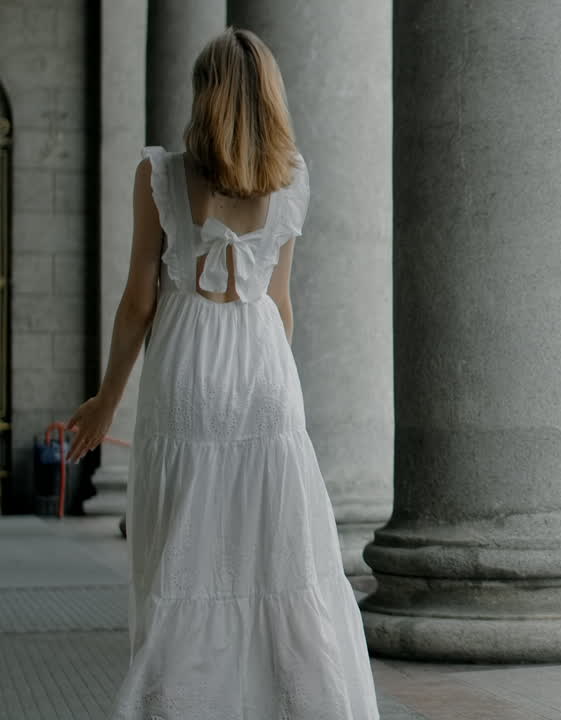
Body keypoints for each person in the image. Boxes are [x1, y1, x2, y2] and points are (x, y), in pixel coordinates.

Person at [67, 28, 380, 719]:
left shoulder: (159, 175)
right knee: (280, 559)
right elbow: (281, 303)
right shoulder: (292, 179)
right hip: (264, 368)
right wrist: (279, 395)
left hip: (186, 370)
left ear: (203, 94)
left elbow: (138, 303)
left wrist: (104, 400)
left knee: (184, 560)